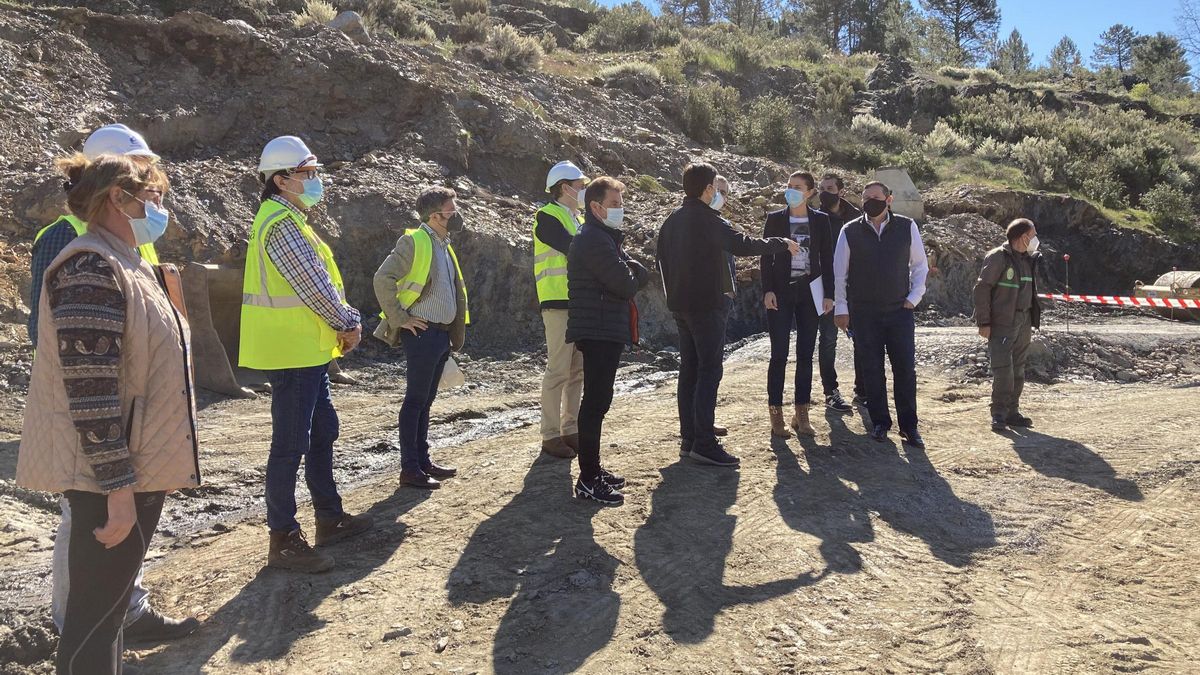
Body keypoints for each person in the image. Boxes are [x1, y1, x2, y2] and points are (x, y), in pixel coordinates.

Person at [15, 153, 200, 674]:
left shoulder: (128, 261)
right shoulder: (90, 266)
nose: (161, 207)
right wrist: (117, 489)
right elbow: (89, 389)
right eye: (154, 197)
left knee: (110, 614)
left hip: (131, 470)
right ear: (118, 197)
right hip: (109, 478)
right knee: (94, 620)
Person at [239, 136, 371, 574]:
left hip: (306, 351)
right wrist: (347, 321)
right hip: (292, 353)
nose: (315, 181)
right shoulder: (281, 224)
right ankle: (284, 539)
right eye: (307, 174)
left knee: (321, 431)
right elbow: (313, 284)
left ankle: (328, 516)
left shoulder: (289, 219)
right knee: (291, 443)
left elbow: (318, 281)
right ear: (280, 180)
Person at [657, 162, 797, 467]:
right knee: (709, 370)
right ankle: (704, 444)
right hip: (706, 306)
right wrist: (781, 243)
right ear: (708, 189)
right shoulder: (708, 219)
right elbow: (742, 244)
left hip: (680, 306)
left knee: (690, 370)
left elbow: (661, 262)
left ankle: (690, 438)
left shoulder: (671, 221)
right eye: (715, 189)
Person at [374, 186, 469, 490]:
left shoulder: (442, 243)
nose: (456, 213)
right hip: (423, 332)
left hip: (440, 334)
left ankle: (422, 461)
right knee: (415, 400)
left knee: (426, 400)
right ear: (435, 215)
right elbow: (382, 278)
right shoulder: (415, 241)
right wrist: (400, 318)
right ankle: (410, 469)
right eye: (451, 208)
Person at [565, 177, 649, 505]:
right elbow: (626, 284)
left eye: (621, 203)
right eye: (615, 204)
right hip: (598, 329)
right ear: (596, 207)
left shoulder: (602, 237)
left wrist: (632, 272)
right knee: (595, 403)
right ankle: (587, 479)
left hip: (602, 328)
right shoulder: (594, 239)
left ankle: (593, 469)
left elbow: (626, 277)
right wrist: (637, 272)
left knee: (598, 402)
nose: (621, 209)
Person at [833, 181, 929, 448]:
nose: (869, 201)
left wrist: (914, 298)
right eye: (865, 197)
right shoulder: (849, 231)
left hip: (899, 311)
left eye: (875, 196)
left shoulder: (907, 227)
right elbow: (840, 273)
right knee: (872, 370)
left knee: (905, 370)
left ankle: (909, 426)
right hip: (864, 314)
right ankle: (880, 422)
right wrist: (842, 308)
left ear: (889, 199)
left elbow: (920, 266)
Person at [760, 171, 835, 439]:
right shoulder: (775, 219)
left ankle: (801, 412)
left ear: (810, 192)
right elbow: (765, 257)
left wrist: (829, 293)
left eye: (797, 187)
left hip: (810, 292)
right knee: (778, 354)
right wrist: (767, 289)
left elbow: (827, 258)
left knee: (805, 354)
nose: (791, 190)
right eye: (788, 186)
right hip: (781, 292)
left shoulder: (821, 220)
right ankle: (776, 413)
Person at [533, 161, 588, 460]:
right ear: (565, 188)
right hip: (557, 304)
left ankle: (571, 429)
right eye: (580, 186)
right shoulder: (547, 217)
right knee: (557, 371)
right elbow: (573, 249)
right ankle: (550, 434)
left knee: (576, 371)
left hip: (578, 303)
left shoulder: (577, 220)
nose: (583, 191)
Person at [973, 218, 1042, 433]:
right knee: (1003, 370)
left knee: (1018, 368)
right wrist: (984, 322)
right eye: (1033, 235)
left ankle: (1013, 412)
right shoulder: (997, 258)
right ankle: (999, 414)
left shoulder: (1027, 260)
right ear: (1023, 237)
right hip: (1002, 323)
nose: (1035, 240)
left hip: (1023, 321)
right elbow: (982, 289)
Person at [817, 173, 863, 409]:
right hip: (827, 289)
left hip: (856, 288)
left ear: (841, 191)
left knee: (861, 339)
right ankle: (830, 391)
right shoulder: (816, 218)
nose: (825, 192)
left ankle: (862, 391)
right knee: (828, 339)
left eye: (830, 188)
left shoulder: (858, 218)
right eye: (822, 188)